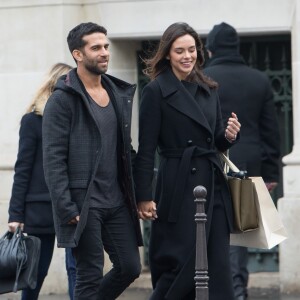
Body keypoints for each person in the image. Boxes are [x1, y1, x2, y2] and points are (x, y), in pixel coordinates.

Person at [134, 22, 241, 300]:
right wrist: (143, 196)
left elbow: (215, 140)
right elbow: (145, 150)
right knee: (180, 261)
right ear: (167, 54)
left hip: (212, 186)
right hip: (177, 186)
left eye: (191, 49)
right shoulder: (155, 92)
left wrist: (229, 136)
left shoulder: (209, 87)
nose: (187, 56)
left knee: (217, 263)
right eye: (179, 50)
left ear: (199, 51)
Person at [42, 22, 143, 300]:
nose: (104, 53)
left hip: (117, 201)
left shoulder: (116, 93)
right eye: (95, 47)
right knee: (89, 274)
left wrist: (142, 195)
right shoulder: (62, 100)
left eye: (106, 46)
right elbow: (53, 160)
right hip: (83, 204)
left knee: (129, 266)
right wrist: (65, 206)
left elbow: (125, 150)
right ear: (78, 54)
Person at [204, 22, 281, 300]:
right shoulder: (258, 79)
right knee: (240, 234)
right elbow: (271, 132)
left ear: (210, 49)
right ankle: (237, 291)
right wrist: (271, 173)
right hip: (248, 165)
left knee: (210, 227)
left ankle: (217, 290)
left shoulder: (203, 77)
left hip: (211, 163)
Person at [7, 63, 77, 300]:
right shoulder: (32, 120)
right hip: (39, 208)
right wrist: (15, 214)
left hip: (73, 206)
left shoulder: (76, 120)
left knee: (76, 270)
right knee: (35, 274)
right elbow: (23, 169)